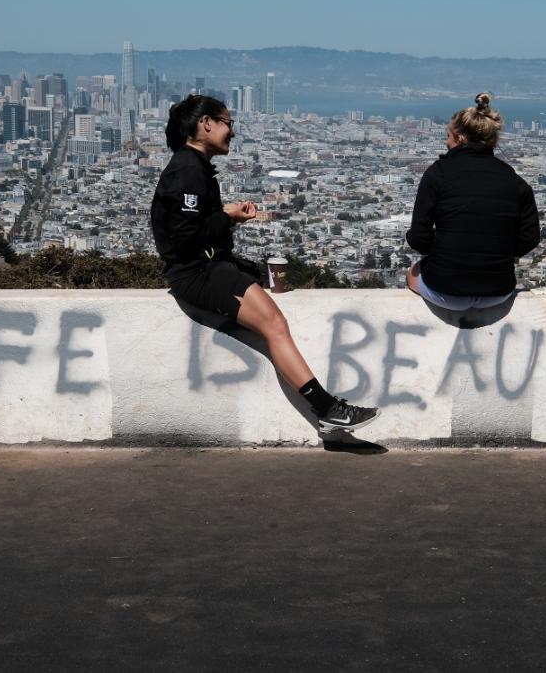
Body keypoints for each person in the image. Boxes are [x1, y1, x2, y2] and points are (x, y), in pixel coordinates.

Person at [151, 95, 381, 432]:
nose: (232, 131)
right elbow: (187, 238)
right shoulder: (187, 169)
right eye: (228, 123)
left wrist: (224, 218)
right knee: (274, 324)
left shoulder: (192, 166)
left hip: (207, 267)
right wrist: (226, 217)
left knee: (272, 313)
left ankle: (329, 410)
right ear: (206, 124)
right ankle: (327, 408)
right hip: (198, 272)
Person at [406, 92, 541, 310]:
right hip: (498, 291)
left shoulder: (437, 174)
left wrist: (443, 250)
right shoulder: (515, 180)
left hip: (445, 291)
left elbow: (418, 238)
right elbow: (530, 237)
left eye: (448, 136)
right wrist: (501, 253)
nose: (446, 141)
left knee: (412, 273)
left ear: (459, 138)